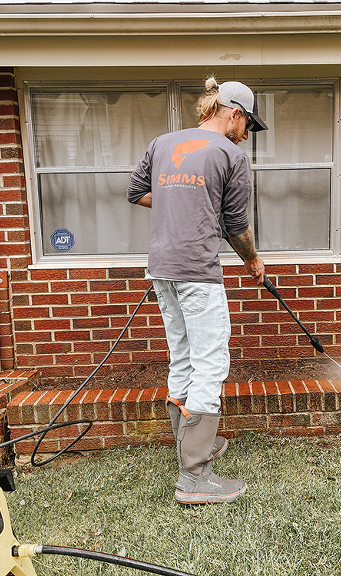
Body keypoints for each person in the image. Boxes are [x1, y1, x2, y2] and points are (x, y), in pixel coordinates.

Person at [127, 77, 267, 504]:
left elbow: (137, 193)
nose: (248, 135)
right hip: (196, 271)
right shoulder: (231, 155)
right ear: (234, 113)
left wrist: (177, 201)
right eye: (249, 126)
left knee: (184, 355)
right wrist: (252, 260)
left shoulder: (163, 142)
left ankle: (189, 446)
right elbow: (236, 226)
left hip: (162, 269)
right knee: (210, 361)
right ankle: (195, 476)